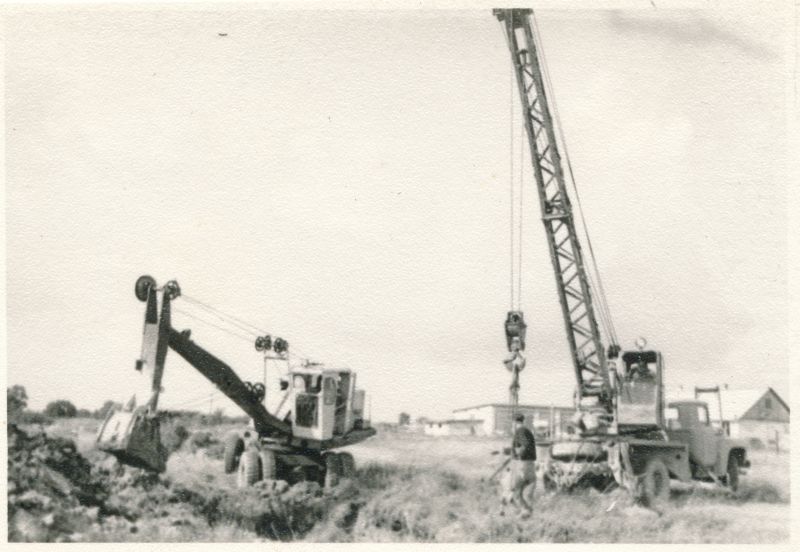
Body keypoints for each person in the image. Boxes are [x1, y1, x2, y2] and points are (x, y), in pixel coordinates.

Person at [500, 413, 537, 516]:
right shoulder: (527, 431)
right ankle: (522, 512)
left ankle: (526, 512)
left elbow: (525, 445)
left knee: (513, 491)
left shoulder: (520, 431)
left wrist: (518, 455)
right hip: (530, 465)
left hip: (522, 465)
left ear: (514, 423)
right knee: (520, 494)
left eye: (512, 424)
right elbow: (525, 446)